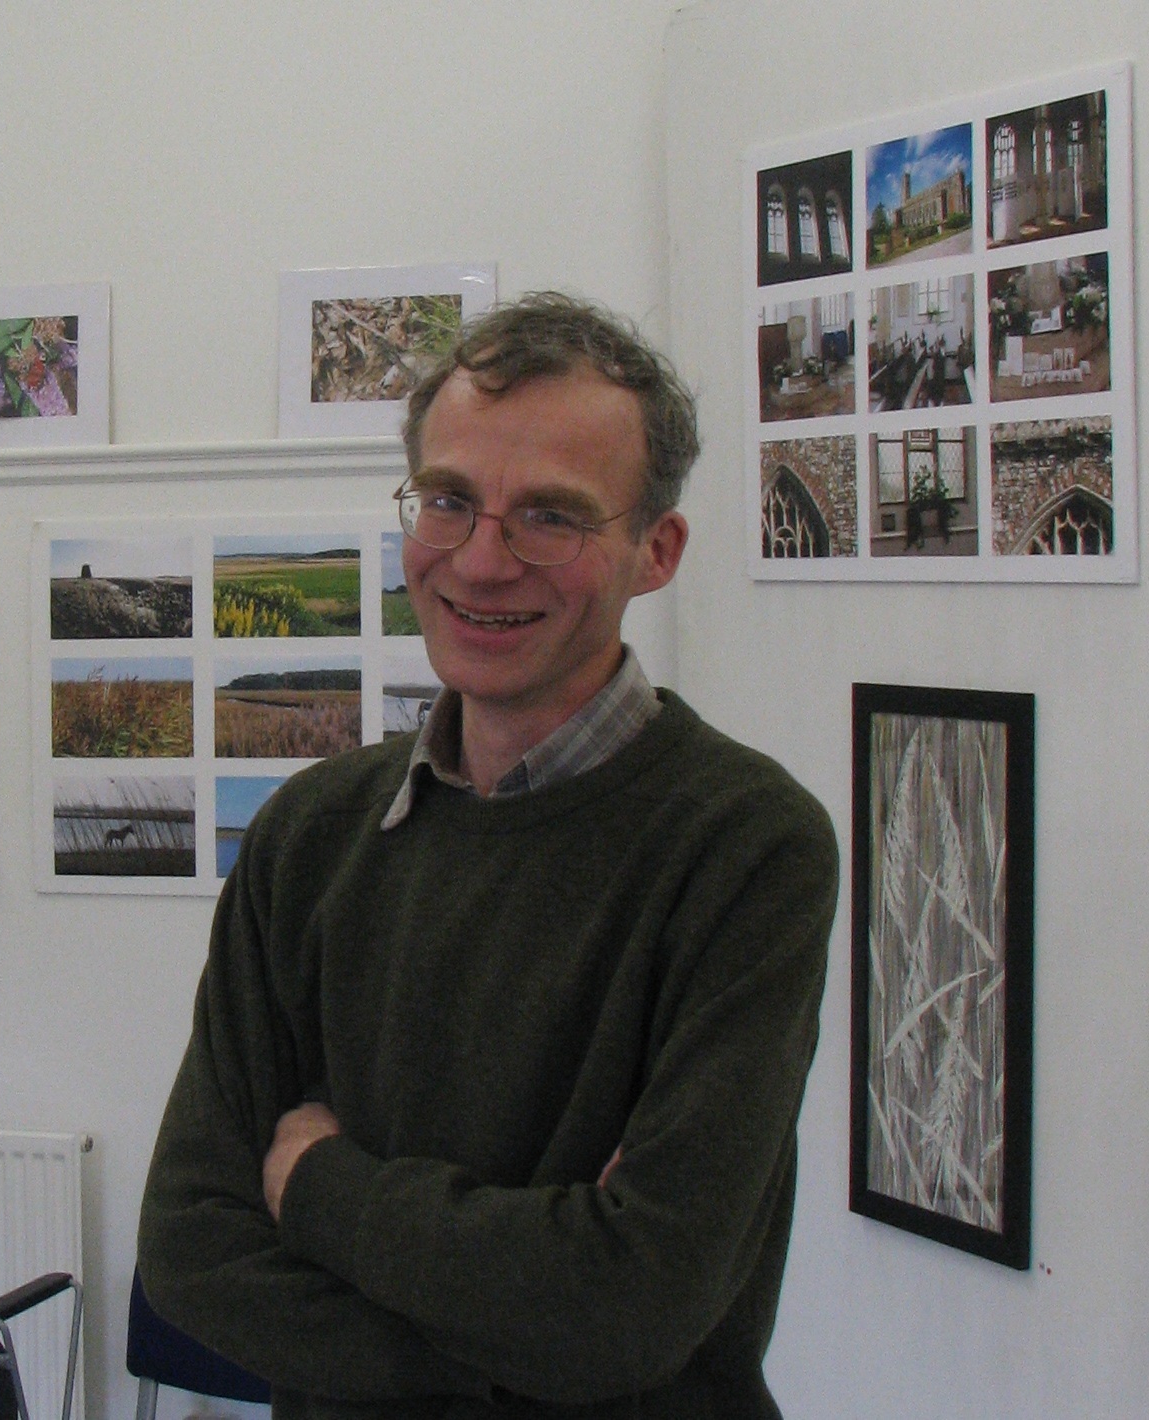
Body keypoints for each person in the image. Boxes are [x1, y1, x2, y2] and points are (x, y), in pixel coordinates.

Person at [137, 293, 839, 1418]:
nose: (479, 561)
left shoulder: (746, 847)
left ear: (655, 551)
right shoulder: (309, 836)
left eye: (551, 517)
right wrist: (529, 1347)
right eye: (448, 501)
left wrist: (315, 1184)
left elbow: (632, 1303)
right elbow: (189, 1248)